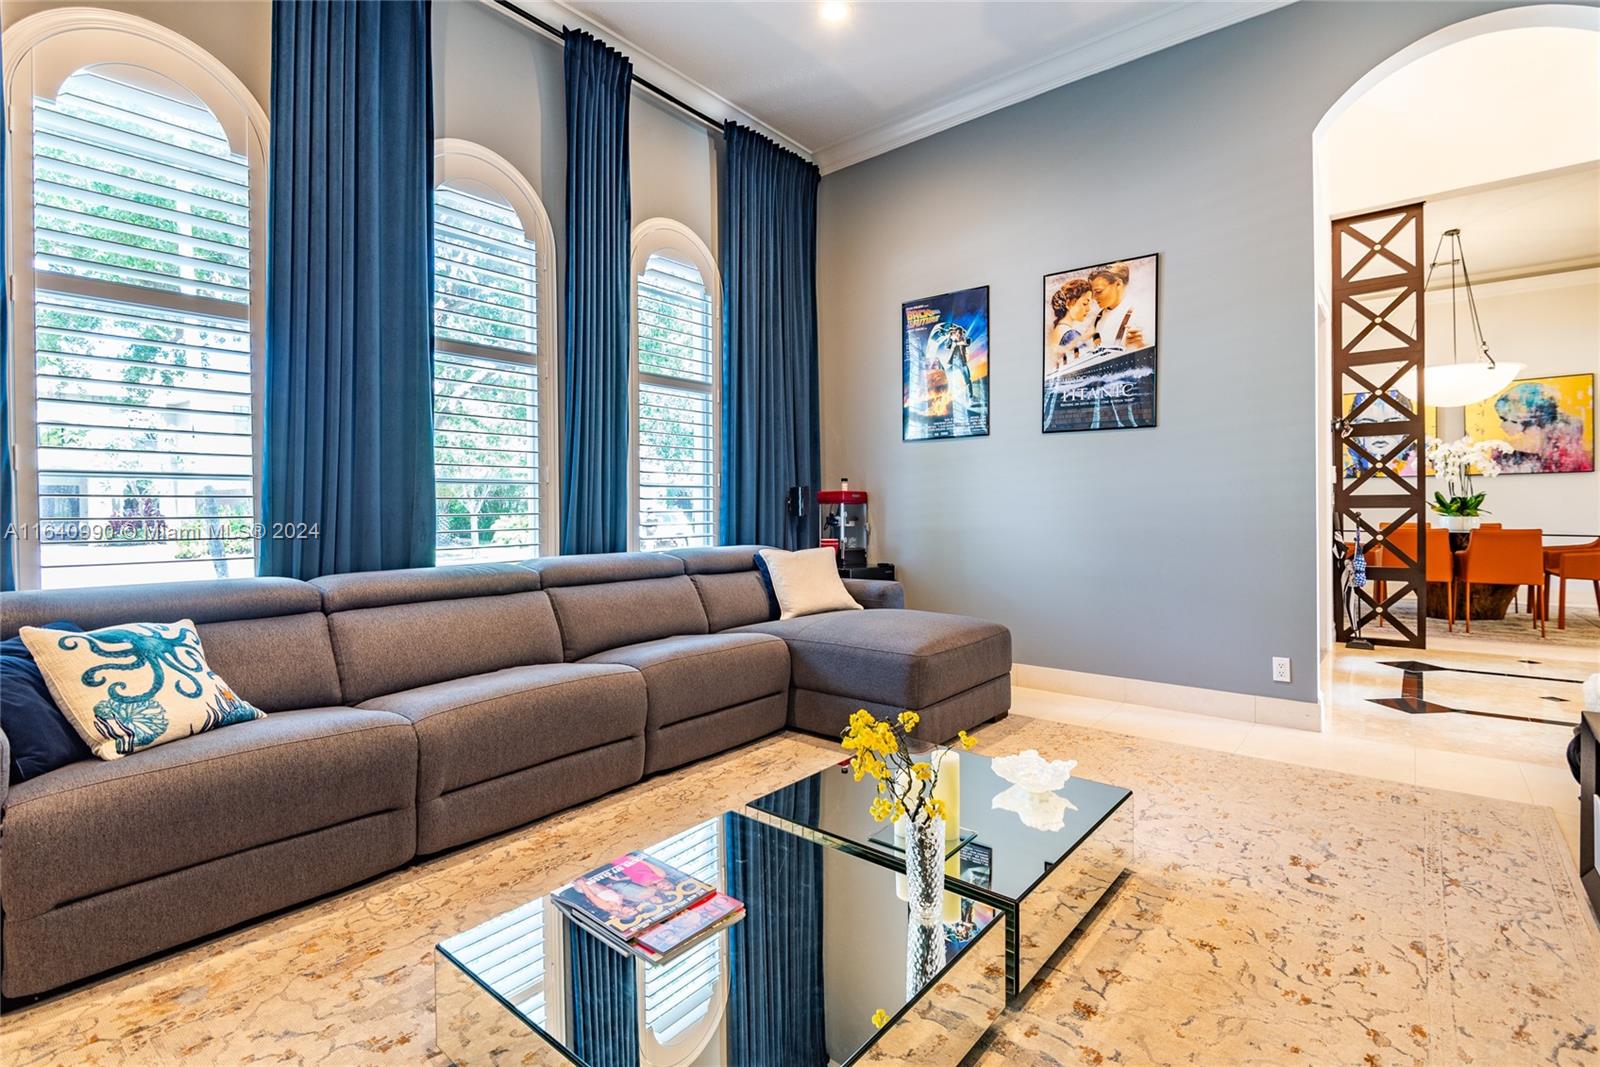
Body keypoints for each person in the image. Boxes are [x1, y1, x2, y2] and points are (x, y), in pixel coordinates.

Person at [1087, 262, 1148, 352]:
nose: (1093, 297)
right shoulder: (1096, 319)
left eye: (1098, 291)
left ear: (1118, 284)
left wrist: (1143, 345)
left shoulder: (1141, 311)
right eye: (1092, 292)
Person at [1047, 278, 1094, 364]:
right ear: (1069, 304)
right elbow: (1090, 362)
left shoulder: (1058, 329)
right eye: (1085, 304)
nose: (1089, 309)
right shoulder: (1070, 334)